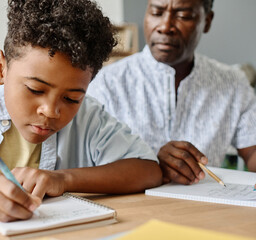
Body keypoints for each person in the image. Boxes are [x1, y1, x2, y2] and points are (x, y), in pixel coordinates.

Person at [0, 0, 162, 223]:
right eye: (35, 89)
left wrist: (64, 178)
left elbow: (147, 169)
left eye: (71, 98)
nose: (51, 111)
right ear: (0, 68)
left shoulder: (88, 116)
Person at [88, 0, 256, 186]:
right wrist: (151, 164)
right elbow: (87, 164)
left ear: (207, 21)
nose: (165, 27)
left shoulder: (233, 83)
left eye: (183, 15)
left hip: (206, 209)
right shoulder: (106, 83)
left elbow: (252, 151)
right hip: (131, 209)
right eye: (157, 12)